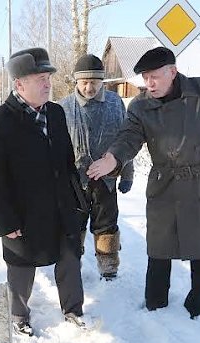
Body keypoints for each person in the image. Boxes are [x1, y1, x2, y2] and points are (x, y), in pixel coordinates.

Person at [87, 47, 200, 319]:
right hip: (166, 183)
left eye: (154, 77)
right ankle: (155, 303)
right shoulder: (140, 106)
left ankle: (198, 306)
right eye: (145, 78)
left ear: (172, 72)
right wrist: (112, 159)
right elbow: (129, 138)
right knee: (159, 246)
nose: (149, 83)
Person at [0, 47, 89, 336]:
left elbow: (67, 161)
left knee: (69, 258)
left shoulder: (55, 113)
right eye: (40, 78)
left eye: (48, 78)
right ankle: (18, 314)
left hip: (62, 205)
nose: (47, 84)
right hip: (23, 215)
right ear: (19, 84)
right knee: (20, 266)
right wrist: (5, 223)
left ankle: (73, 309)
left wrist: (78, 199)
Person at [59, 54, 134, 280]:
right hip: (74, 182)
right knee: (74, 227)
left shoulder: (115, 103)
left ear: (103, 81)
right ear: (76, 82)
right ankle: (72, 267)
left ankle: (109, 269)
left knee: (106, 226)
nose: (89, 87)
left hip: (107, 180)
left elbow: (126, 141)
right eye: (84, 82)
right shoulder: (63, 108)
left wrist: (127, 174)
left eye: (94, 82)